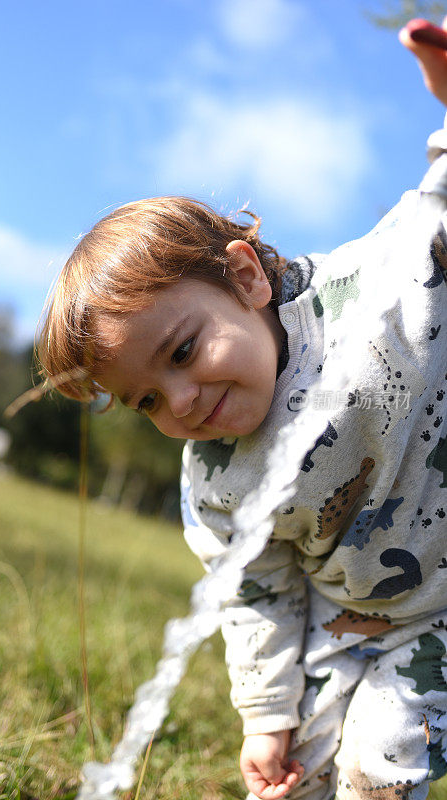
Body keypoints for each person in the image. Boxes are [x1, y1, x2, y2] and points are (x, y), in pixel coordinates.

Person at [37, 20, 447, 800]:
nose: (182, 402)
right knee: (306, 779)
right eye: (147, 399)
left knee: (382, 761)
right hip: (343, 621)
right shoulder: (217, 482)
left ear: (246, 277)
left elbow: (435, 217)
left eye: (183, 352)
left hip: (442, 611)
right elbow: (255, 590)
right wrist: (267, 718)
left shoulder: (368, 301)